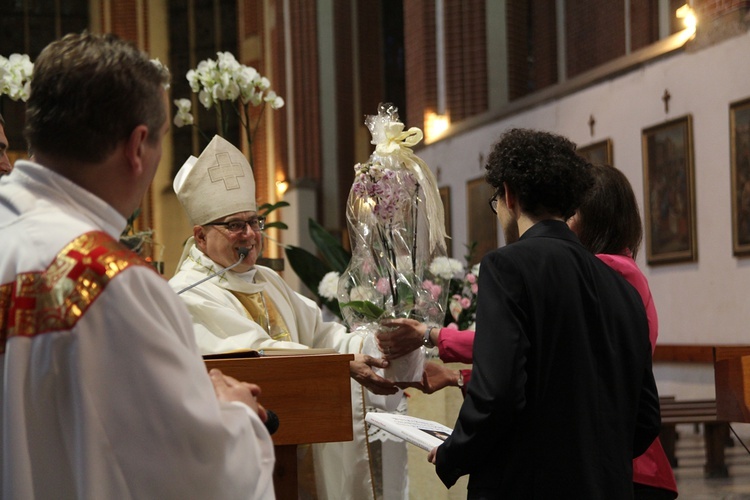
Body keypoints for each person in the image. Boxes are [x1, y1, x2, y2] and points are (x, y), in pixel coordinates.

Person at [0, 32, 275, 499]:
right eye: (164, 138)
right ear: (137, 146)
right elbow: (194, 478)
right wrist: (233, 414)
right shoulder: (112, 283)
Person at [429, 128, 661, 498]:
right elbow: (646, 415)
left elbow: (497, 393)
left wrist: (453, 453)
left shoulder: (507, 267)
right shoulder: (621, 287)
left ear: (509, 194)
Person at [168, 134, 397, 500]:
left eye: (254, 222)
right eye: (234, 225)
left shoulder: (267, 280)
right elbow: (256, 352)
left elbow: (323, 336)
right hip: (240, 464)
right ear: (199, 236)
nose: (250, 235)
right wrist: (338, 365)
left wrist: (377, 343)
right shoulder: (187, 293)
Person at [568, 163, 677, 499]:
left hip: (625, 460)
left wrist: (439, 339)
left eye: (571, 211)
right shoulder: (623, 270)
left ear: (594, 217)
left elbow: (545, 339)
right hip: (624, 454)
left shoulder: (605, 272)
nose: (564, 223)